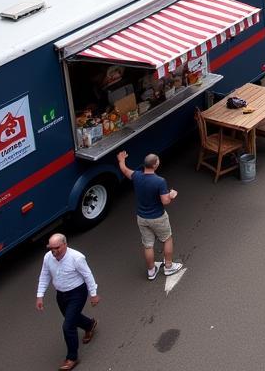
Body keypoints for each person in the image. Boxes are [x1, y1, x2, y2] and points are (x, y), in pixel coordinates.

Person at [35, 233, 101, 371]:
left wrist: (93, 294)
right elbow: (44, 275)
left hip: (77, 293)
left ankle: (72, 357)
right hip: (61, 294)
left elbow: (87, 275)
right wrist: (40, 295)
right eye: (51, 248)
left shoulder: (76, 258)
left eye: (57, 248)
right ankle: (89, 324)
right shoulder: (48, 257)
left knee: (67, 326)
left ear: (65, 244)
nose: (53, 251)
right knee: (71, 318)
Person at [115, 151, 182, 280]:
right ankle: (168, 266)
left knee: (148, 245)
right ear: (155, 165)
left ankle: (151, 270)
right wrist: (171, 195)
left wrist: (121, 159)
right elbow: (165, 201)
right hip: (158, 217)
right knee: (167, 239)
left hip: (142, 218)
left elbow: (124, 170)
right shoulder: (160, 181)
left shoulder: (137, 176)